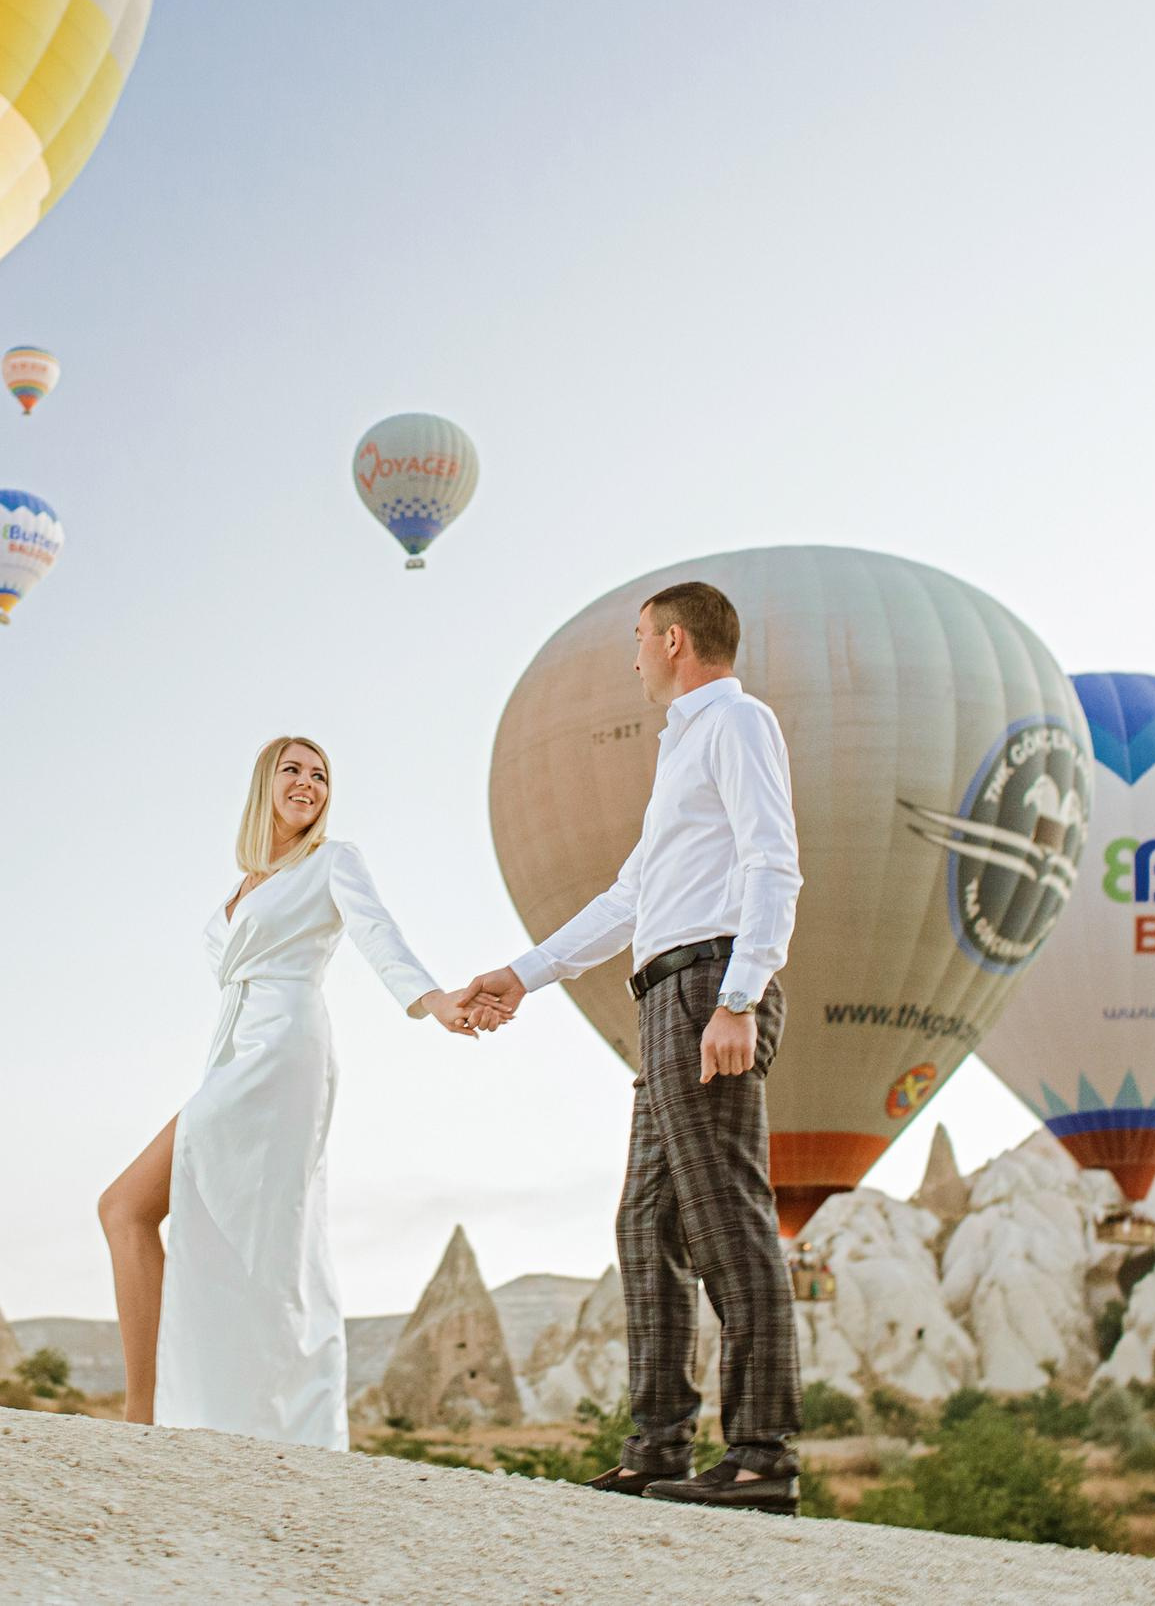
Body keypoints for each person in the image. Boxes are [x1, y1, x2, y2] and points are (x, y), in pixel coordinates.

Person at [458, 580, 805, 1513]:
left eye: (641, 637)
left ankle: (762, 1456)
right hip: (664, 1000)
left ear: (675, 640)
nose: (635, 655)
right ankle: (657, 1447)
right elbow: (628, 899)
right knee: (645, 1224)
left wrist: (739, 998)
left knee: (727, 1218)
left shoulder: (737, 723)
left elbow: (774, 861)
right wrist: (522, 974)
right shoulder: (682, 749)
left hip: (710, 989)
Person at [98, 735, 503, 1449]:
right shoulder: (240, 889)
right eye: (292, 770)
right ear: (265, 782)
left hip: (286, 1052)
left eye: (320, 775)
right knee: (171, 1219)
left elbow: (379, 935)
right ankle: (171, 1410)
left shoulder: (332, 860)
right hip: (233, 1052)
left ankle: (155, 1417)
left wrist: (435, 1000)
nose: (307, 784)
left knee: (163, 1212)